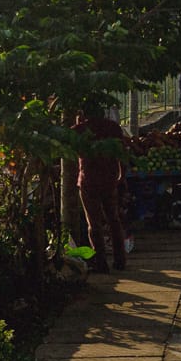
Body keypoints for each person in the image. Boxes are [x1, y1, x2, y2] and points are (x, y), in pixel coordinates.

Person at [73, 104, 128, 272]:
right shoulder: (113, 128)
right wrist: (122, 176)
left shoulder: (79, 130)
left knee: (94, 224)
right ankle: (120, 260)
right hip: (110, 179)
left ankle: (100, 262)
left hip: (88, 180)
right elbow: (123, 153)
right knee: (114, 220)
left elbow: (69, 147)